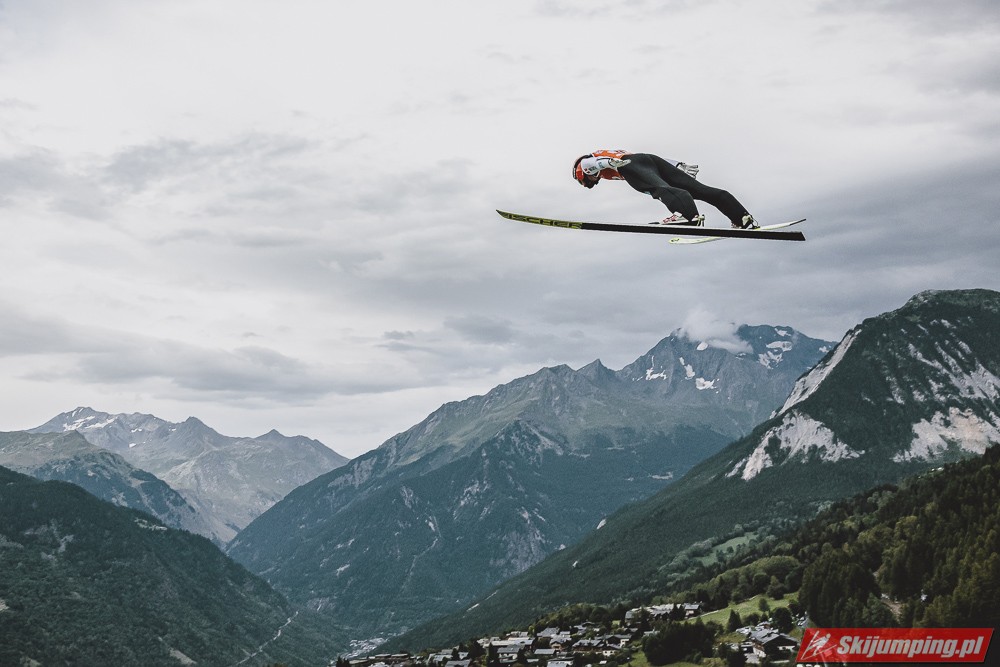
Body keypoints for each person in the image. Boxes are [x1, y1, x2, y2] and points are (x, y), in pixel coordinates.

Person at [572, 149, 758, 229]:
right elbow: (645, 159)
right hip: (649, 159)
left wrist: (609, 163)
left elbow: (595, 163)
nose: (593, 181)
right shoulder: (609, 152)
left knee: (658, 189)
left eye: (587, 181)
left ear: (581, 174)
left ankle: (687, 216)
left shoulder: (587, 163)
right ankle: (741, 217)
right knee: (700, 190)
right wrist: (676, 164)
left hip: (630, 164)